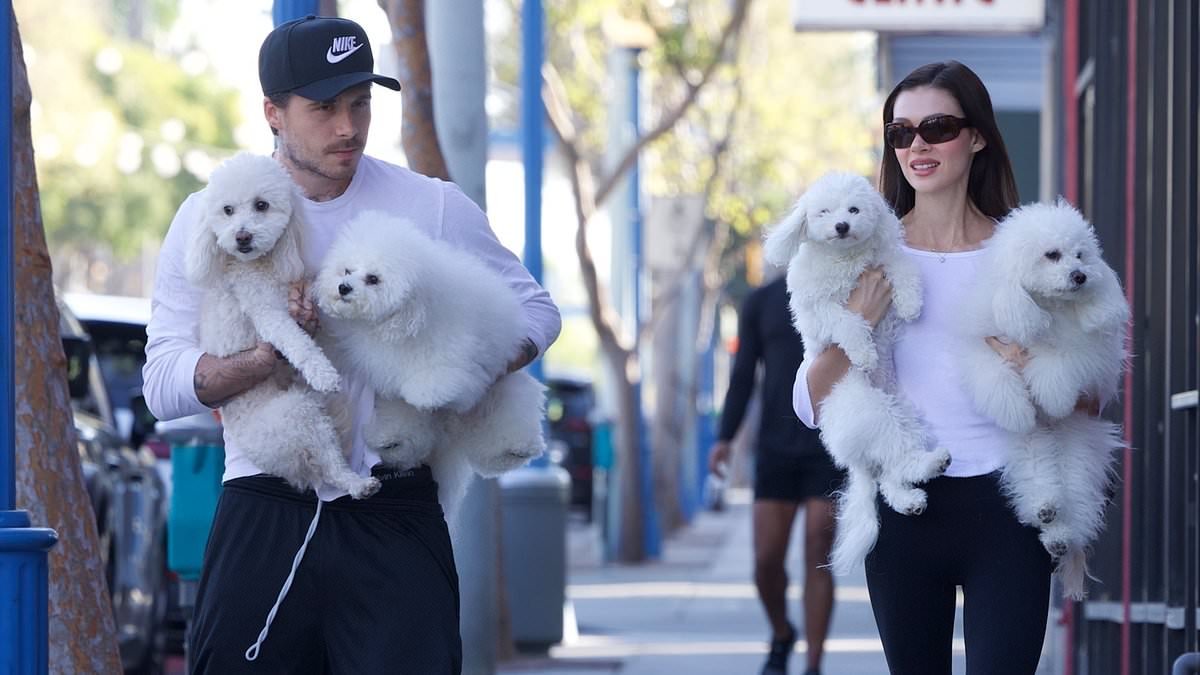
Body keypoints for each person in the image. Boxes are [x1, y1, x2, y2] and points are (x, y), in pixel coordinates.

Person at [142, 16, 560, 674]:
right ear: (273, 113)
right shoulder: (214, 214)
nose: (348, 127)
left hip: (394, 508)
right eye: (325, 107)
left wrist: (463, 371)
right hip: (267, 502)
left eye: (361, 103)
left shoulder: (434, 206)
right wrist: (267, 357)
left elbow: (534, 310)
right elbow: (162, 381)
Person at [793, 61, 1072, 674]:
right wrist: (858, 324)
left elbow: (1089, 397)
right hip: (904, 512)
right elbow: (810, 403)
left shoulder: (1027, 252)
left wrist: (1031, 367)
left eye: (937, 127)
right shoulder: (861, 254)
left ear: (976, 137)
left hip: (1009, 508)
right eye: (900, 132)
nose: (917, 144)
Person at [708, 275, 841, 675]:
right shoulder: (762, 301)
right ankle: (782, 633)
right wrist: (725, 437)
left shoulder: (843, 292)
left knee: (818, 550)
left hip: (829, 445)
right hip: (775, 448)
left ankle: (814, 665)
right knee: (766, 561)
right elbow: (744, 375)